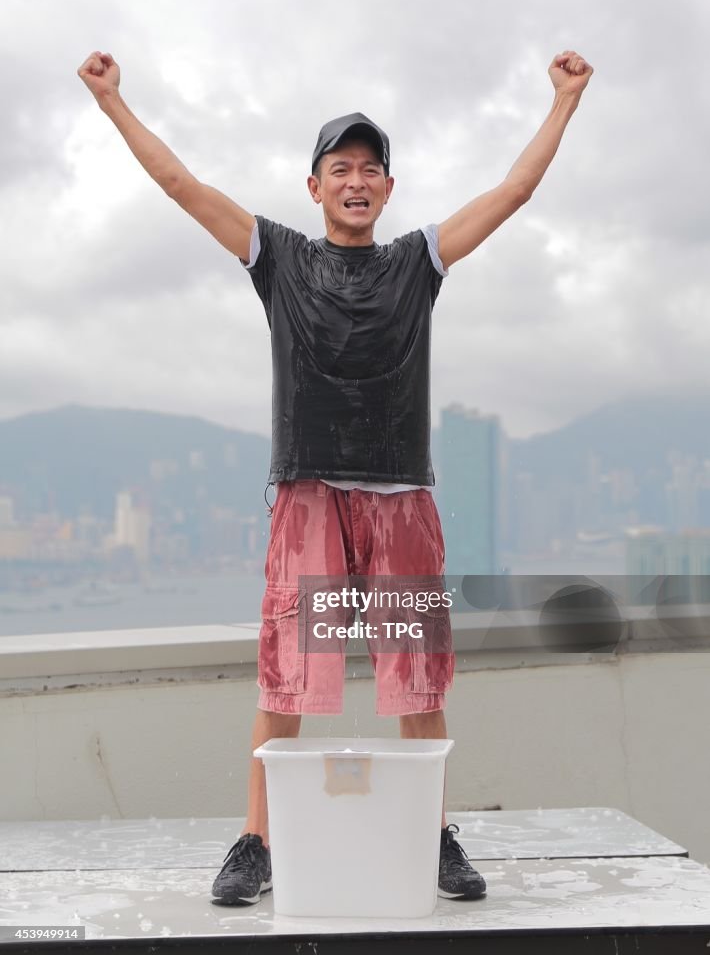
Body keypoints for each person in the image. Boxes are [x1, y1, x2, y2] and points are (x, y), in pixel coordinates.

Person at [77, 48, 594, 908]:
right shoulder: (276, 257)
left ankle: (433, 838)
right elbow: (180, 186)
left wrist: (564, 102)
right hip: (308, 495)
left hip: (401, 503)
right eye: (339, 168)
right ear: (314, 187)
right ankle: (256, 841)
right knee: (286, 675)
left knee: (417, 677)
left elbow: (512, 194)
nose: (356, 181)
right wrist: (112, 102)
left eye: (369, 170)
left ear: (387, 189)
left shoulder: (417, 263)